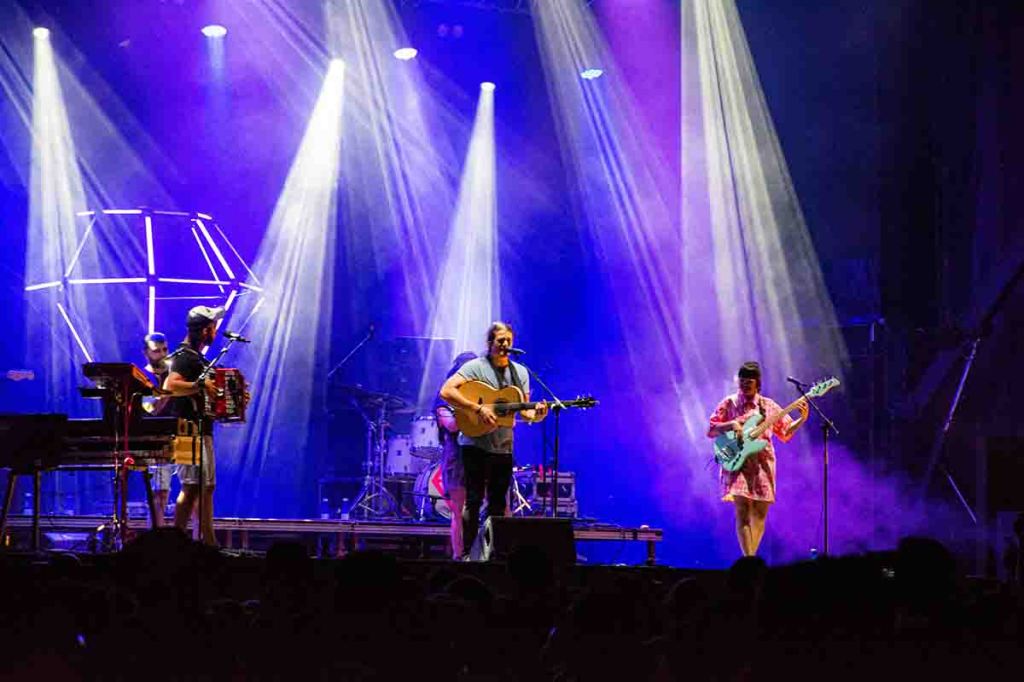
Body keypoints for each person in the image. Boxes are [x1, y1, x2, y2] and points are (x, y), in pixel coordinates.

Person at [440, 322, 548, 559]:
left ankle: (494, 556)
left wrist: (538, 414)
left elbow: (525, 412)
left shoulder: (520, 372)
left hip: (503, 447)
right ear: (490, 343)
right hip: (474, 445)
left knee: (498, 503)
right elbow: (447, 391)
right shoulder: (475, 367)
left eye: (508, 340)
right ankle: (467, 554)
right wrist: (477, 408)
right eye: (500, 340)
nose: (505, 344)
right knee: (473, 500)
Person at [707, 361, 807, 557]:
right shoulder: (729, 403)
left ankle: (750, 557)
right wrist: (732, 424)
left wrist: (802, 419)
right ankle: (749, 559)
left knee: (760, 513)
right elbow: (711, 429)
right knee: (743, 510)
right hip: (738, 462)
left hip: (762, 464)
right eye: (742, 381)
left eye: (749, 382)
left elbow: (785, 432)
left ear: (757, 383)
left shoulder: (768, 406)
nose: (744, 385)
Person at [163, 305, 223, 546]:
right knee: (190, 487)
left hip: (202, 429)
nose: (215, 332)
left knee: (206, 487)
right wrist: (200, 386)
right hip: (187, 430)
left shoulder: (198, 359)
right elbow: (171, 386)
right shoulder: (184, 356)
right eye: (213, 328)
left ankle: (209, 542)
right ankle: (175, 542)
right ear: (205, 330)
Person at [434, 351, 478, 560]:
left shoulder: (483, 394)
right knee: (459, 512)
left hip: (482, 455)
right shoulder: (445, 396)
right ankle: (460, 558)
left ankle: (493, 556)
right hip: (457, 458)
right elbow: (451, 425)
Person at [140, 331, 174, 526]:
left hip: (179, 438)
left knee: (192, 490)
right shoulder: (141, 377)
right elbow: (150, 410)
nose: (162, 354)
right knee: (160, 493)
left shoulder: (174, 373)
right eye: (156, 351)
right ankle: (156, 534)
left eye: (164, 350)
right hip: (157, 441)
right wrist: (167, 393)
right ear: (146, 353)